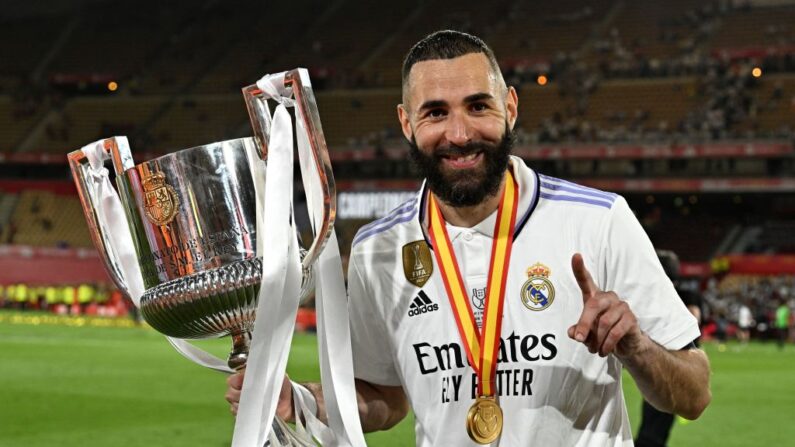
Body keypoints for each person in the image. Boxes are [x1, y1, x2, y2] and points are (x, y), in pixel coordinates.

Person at [226, 30, 711, 446]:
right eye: (435, 112)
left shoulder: (599, 221)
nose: (459, 133)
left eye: (478, 106)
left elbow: (694, 394)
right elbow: (385, 397)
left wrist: (638, 347)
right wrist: (303, 400)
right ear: (405, 122)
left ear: (511, 107)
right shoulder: (378, 250)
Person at [635, 250, 703, 447]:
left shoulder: (661, 298)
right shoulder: (688, 295)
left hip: (666, 366)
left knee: (653, 426)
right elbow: (694, 323)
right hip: (682, 365)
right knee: (657, 427)